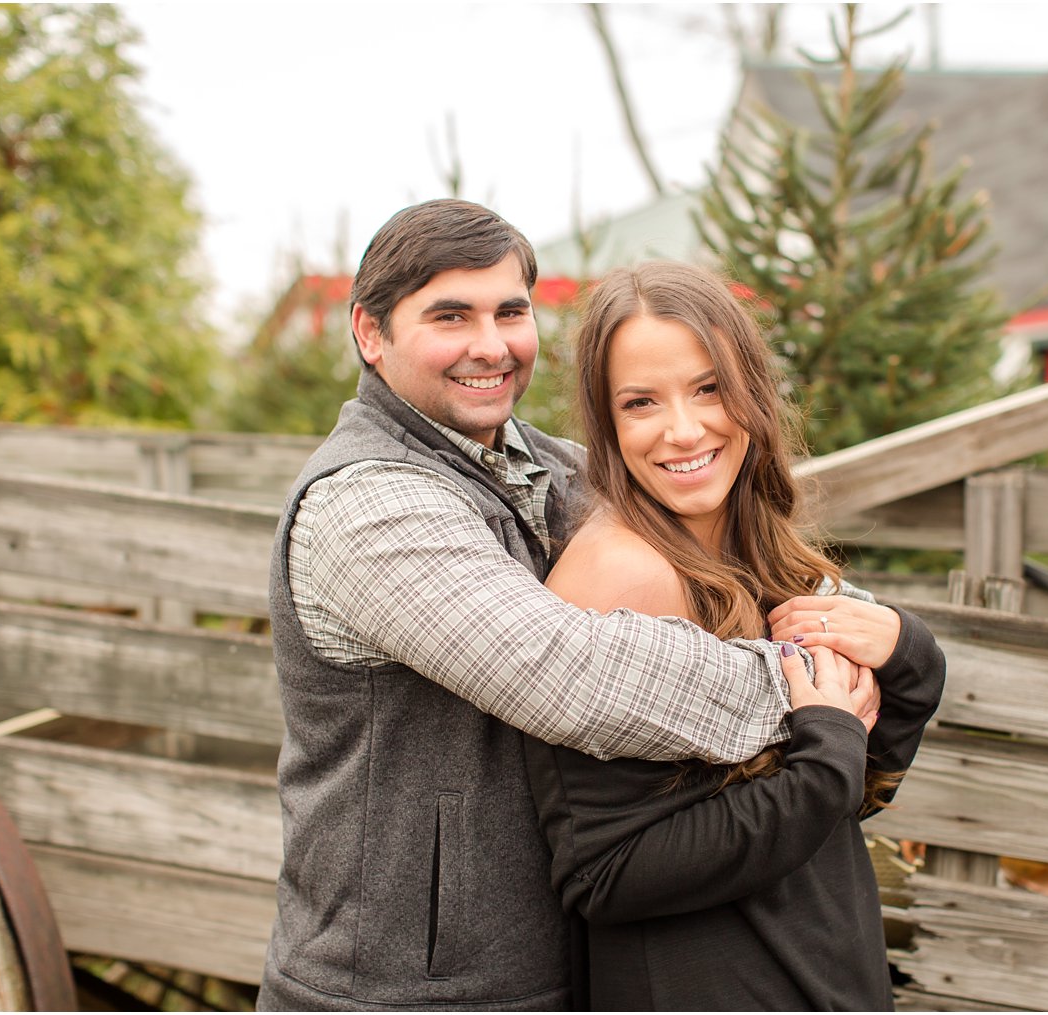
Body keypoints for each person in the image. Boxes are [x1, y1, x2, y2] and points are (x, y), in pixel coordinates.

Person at [259, 200, 878, 1011]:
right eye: (451, 315)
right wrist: (812, 690)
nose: (490, 344)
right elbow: (565, 673)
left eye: (509, 311)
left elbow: (742, 543)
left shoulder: (559, 469)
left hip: (550, 970)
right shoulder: (366, 506)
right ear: (370, 334)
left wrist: (870, 625)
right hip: (392, 990)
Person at [524, 260, 946, 1010]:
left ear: (749, 387)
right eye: (641, 401)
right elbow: (607, 871)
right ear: (607, 420)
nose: (684, 428)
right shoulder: (625, 578)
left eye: (709, 387)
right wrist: (822, 759)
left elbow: (851, 790)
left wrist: (909, 656)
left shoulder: (752, 547)